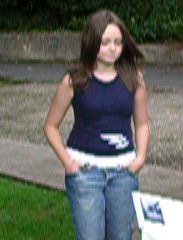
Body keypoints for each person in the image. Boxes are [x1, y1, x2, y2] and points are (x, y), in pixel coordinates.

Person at [44, 9, 149, 240]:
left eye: (118, 42)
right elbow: (50, 126)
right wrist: (69, 163)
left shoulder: (134, 79)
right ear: (91, 42)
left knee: (121, 236)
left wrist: (139, 159)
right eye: (105, 42)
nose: (113, 48)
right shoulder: (74, 81)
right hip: (85, 175)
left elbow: (142, 124)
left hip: (124, 173)